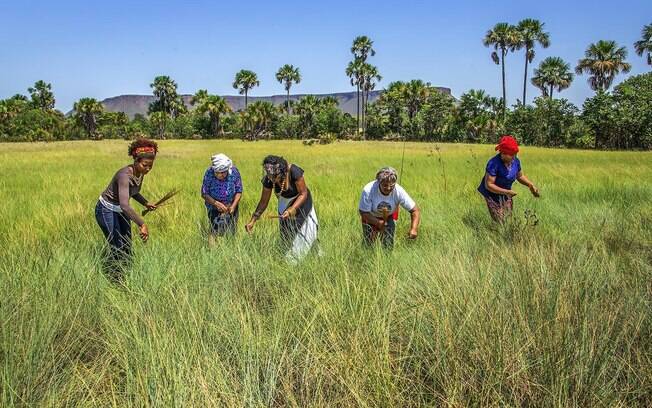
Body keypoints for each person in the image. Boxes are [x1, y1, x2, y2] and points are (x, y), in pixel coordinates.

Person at [95, 138, 158, 281]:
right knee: (117, 245)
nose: (147, 169)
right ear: (136, 160)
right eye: (144, 165)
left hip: (120, 210)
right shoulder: (124, 175)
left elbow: (133, 192)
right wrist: (142, 224)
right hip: (106, 209)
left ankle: (127, 275)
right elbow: (124, 205)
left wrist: (146, 203)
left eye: (150, 166)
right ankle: (116, 279)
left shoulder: (140, 173)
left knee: (127, 244)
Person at [245, 155, 318, 263]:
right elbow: (263, 202)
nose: (272, 179)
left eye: (275, 176)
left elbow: (303, 193)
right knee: (287, 233)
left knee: (305, 232)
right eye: (270, 176)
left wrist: (291, 210)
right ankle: (290, 261)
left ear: (282, 171)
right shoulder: (269, 179)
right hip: (284, 205)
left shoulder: (293, 171)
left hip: (302, 204)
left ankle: (304, 259)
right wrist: (253, 220)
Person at [477, 135, 540, 223]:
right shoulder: (493, 163)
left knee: (508, 217)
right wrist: (507, 192)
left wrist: (530, 185)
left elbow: (520, 176)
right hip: (491, 193)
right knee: (500, 219)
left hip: (506, 192)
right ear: (503, 153)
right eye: (512, 155)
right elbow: (489, 185)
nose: (514, 156)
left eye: (515, 154)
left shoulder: (515, 161)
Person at [359, 167, 420, 247]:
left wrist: (414, 229)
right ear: (378, 182)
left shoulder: (399, 191)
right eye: (385, 186)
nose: (388, 188)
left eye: (391, 186)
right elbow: (363, 212)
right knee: (368, 245)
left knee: (388, 245)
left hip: (389, 217)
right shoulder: (368, 190)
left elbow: (415, 210)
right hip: (370, 217)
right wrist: (378, 223)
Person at [201, 153, 243, 241]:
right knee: (214, 229)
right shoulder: (209, 173)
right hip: (213, 205)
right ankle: (212, 252)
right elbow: (204, 193)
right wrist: (216, 204)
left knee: (231, 230)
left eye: (223, 172)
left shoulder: (234, 172)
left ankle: (230, 250)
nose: (221, 175)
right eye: (218, 173)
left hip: (230, 206)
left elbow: (239, 191)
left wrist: (233, 206)